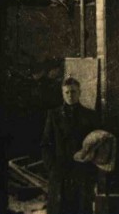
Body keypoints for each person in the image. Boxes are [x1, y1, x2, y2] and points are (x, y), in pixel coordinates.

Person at [41, 77, 99, 214]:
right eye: (66, 92)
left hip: (81, 173)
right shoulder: (54, 115)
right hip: (60, 172)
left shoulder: (89, 116)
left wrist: (90, 168)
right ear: (62, 93)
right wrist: (52, 167)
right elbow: (45, 144)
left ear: (80, 93)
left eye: (73, 92)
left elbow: (96, 144)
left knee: (81, 209)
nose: (70, 95)